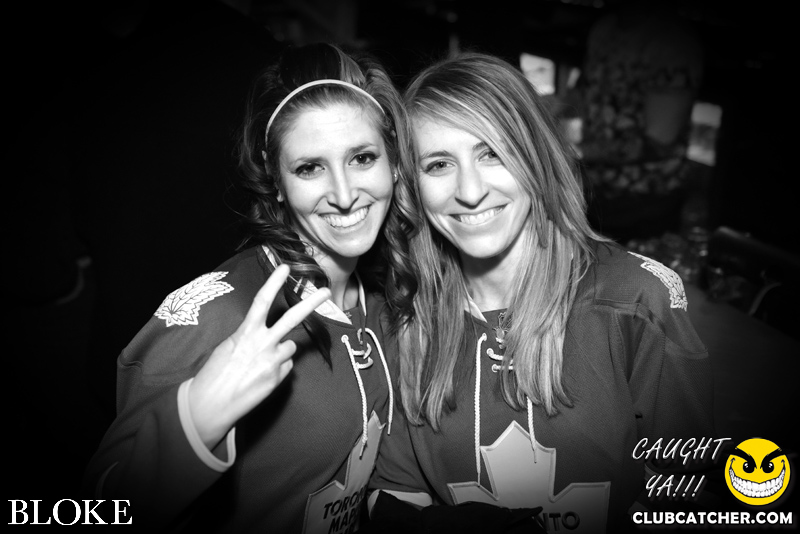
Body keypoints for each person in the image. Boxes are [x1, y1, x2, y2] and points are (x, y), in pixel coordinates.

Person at [368, 52, 714, 534]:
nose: (470, 190)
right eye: (439, 163)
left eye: (492, 153)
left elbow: (689, 485)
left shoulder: (636, 299)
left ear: (535, 154)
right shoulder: (404, 318)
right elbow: (396, 488)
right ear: (411, 186)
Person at [83, 42, 411, 533]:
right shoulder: (220, 315)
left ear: (393, 163)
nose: (344, 195)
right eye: (309, 168)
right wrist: (194, 424)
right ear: (275, 179)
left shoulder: (381, 302)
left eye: (362, 158)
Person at [570, 0, 705, 242]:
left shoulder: (671, 40)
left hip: (645, 200)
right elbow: (585, 90)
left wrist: (576, 150)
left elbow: (658, 143)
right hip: (593, 190)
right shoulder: (604, 28)